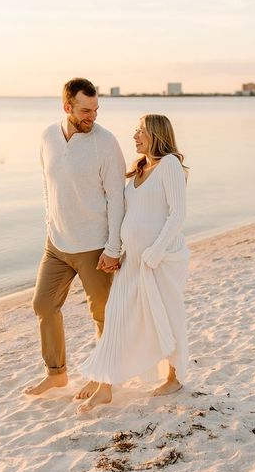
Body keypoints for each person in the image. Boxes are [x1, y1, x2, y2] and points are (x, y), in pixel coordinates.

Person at [78, 113, 189, 412]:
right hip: (133, 260)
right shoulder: (140, 168)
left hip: (161, 260)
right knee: (116, 316)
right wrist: (116, 250)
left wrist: (154, 252)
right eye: (136, 131)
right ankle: (105, 387)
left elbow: (177, 214)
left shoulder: (170, 166)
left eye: (140, 131)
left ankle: (175, 377)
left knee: (166, 315)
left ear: (156, 134)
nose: (135, 136)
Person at [24, 78, 126, 399]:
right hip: (56, 243)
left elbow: (117, 198)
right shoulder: (48, 137)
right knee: (43, 304)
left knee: (102, 315)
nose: (92, 116)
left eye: (96, 110)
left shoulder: (106, 142)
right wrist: (49, 221)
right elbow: (47, 183)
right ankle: (57, 374)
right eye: (85, 110)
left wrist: (113, 248)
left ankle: (104, 379)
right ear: (67, 106)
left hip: (94, 246)